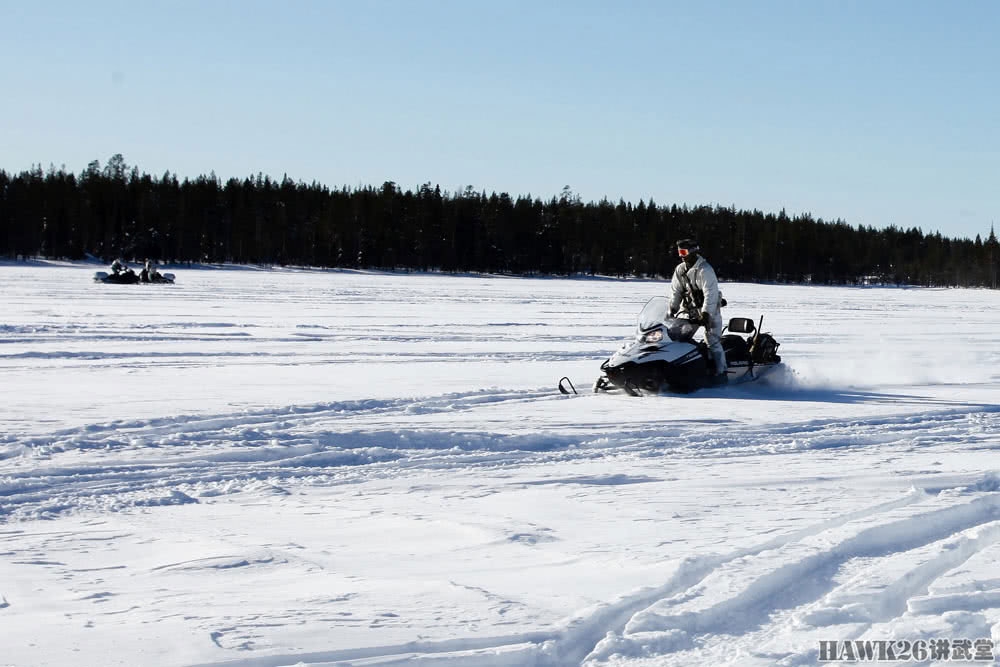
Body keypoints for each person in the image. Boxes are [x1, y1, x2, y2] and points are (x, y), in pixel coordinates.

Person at [668, 239, 727, 384]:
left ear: (693, 251)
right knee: (676, 336)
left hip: (710, 309)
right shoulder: (680, 269)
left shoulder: (705, 269)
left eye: (684, 252)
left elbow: (710, 293)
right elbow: (676, 291)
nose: (681, 255)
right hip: (689, 309)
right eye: (679, 252)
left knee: (712, 340)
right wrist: (672, 309)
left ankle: (721, 373)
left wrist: (706, 314)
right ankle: (675, 369)